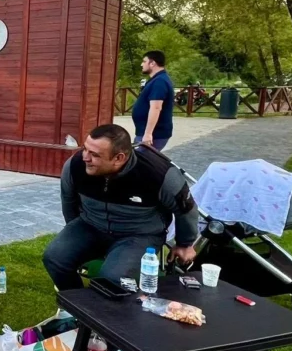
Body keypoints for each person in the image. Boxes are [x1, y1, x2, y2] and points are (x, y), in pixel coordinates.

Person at [43, 124, 199, 292]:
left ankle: (108, 314)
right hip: (91, 225)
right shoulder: (75, 166)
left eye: (94, 155)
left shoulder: (159, 174)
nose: (85, 158)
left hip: (139, 235)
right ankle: (76, 305)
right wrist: (73, 232)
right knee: (54, 257)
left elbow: (186, 209)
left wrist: (185, 243)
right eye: (85, 149)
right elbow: (68, 201)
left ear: (119, 158)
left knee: (112, 278)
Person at [132, 50, 174, 150]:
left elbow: (156, 107)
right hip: (147, 133)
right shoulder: (157, 79)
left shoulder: (159, 81)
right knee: (139, 160)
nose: (141, 64)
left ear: (152, 63)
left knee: (142, 163)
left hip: (154, 134)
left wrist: (148, 134)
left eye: (144, 61)